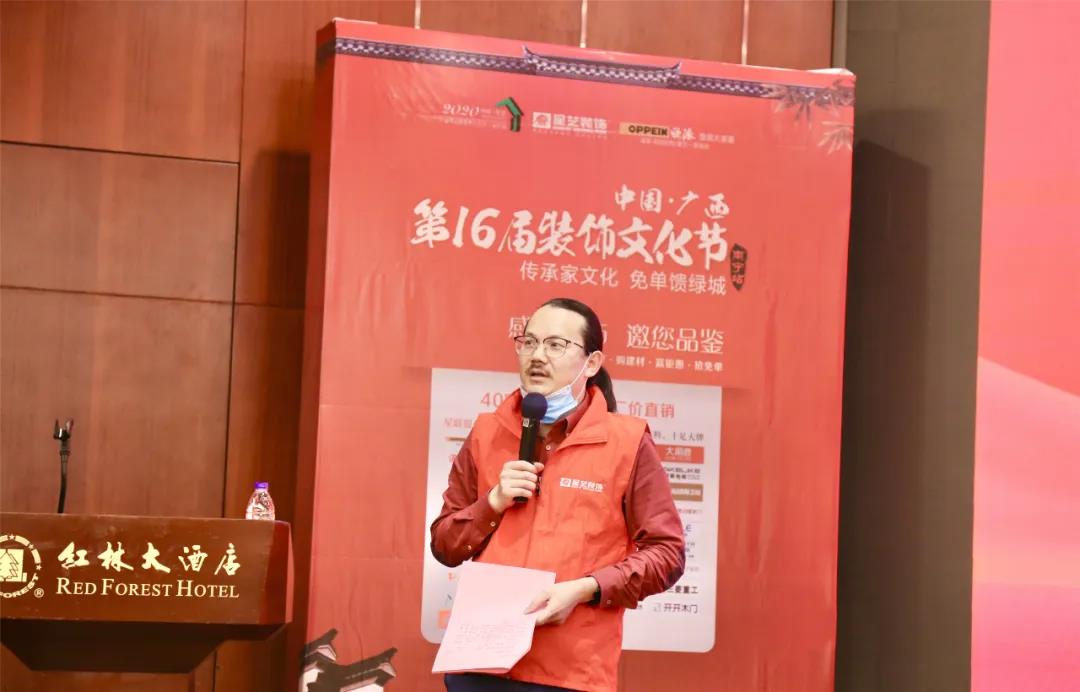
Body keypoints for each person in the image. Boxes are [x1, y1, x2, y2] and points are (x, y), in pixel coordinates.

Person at [430, 297, 685, 692]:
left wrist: (586, 588)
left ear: (592, 363)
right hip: (479, 664)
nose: (537, 355)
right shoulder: (486, 432)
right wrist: (492, 503)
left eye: (555, 345)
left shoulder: (627, 441)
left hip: (570, 673)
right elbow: (445, 545)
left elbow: (667, 553)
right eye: (529, 342)